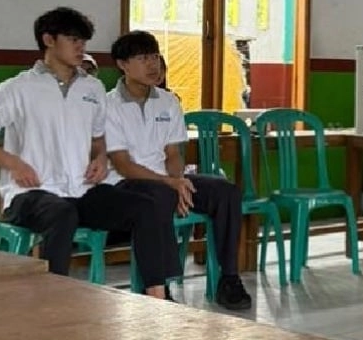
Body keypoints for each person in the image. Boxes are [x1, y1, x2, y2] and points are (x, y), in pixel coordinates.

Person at [0, 7, 173, 300]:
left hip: (79, 188)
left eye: (83, 41)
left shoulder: (93, 88)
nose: (80, 47)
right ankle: (54, 301)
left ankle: (157, 296)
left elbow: (98, 139)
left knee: (145, 206)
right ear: (48, 40)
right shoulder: (18, 88)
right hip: (30, 193)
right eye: (73, 39)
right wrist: (14, 163)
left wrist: (99, 158)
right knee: (62, 214)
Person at [103, 30, 252, 310]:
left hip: (165, 180)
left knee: (226, 191)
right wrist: (169, 184)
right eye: (143, 58)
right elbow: (122, 164)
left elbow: (173, 154)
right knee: (159, 196)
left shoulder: (168, 102)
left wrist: (179, 180)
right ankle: (160, 288)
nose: (153, 64)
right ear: (122, 65)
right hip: (126, 184)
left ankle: (228, 278)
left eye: (155, 56)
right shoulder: (109, 106)